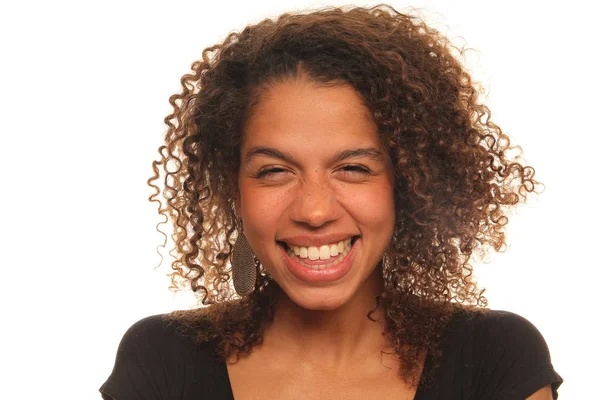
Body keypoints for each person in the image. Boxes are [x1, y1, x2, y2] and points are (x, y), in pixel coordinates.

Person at [100, 4, 562, 399]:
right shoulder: (162, 362)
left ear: (404, 184)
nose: (314, 211)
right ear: (233, 191)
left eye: (354, 168)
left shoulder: (497, 360)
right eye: (274, 171)